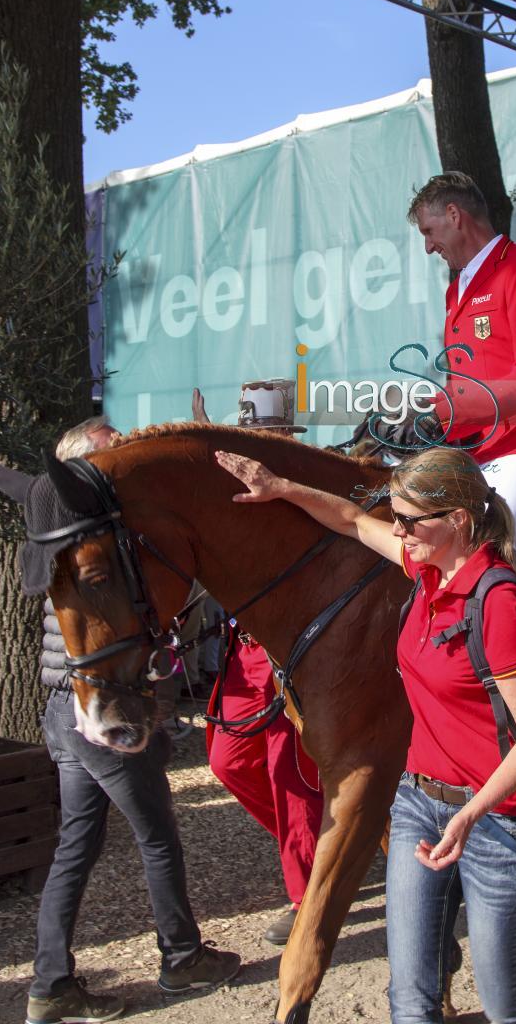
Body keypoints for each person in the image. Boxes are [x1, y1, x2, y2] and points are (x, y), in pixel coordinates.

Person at [214, 444, 516, 1024]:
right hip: (417, 808)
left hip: (497, 823)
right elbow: (353, 521)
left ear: (456, 520)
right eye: (396, 518)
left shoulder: (499, 602)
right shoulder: (426, 568)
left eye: (407, 520)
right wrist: (279, 486)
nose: (397, 530)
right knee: (410, 1002)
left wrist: (471, 813)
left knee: (510, 1009)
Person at [26, 417, 240, 1024]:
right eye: (107, 454)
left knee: (78, 845)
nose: (119, 459)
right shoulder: (92, 549)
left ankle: (50, 984)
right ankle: (182, 957)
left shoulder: (68, 540)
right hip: (100, 715)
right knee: (157, 837)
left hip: (63, 715)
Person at [193, 386, 323, 946]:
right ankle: (326, 852)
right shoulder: (229, 500)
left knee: (288, 773)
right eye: (250, 441)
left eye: (267, 440)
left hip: (296, 651)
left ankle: (307, 895)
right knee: (226, 760)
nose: (258, 452)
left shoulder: (306, 494)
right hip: (247, 651)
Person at [407, 171, 516, 547]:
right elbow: (464, 386)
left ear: (454, 215)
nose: (428, 246)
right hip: (472, 452)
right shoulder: (456, 289)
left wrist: (446, 411)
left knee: (475, 553)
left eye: (428, 231)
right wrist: (425, 420)